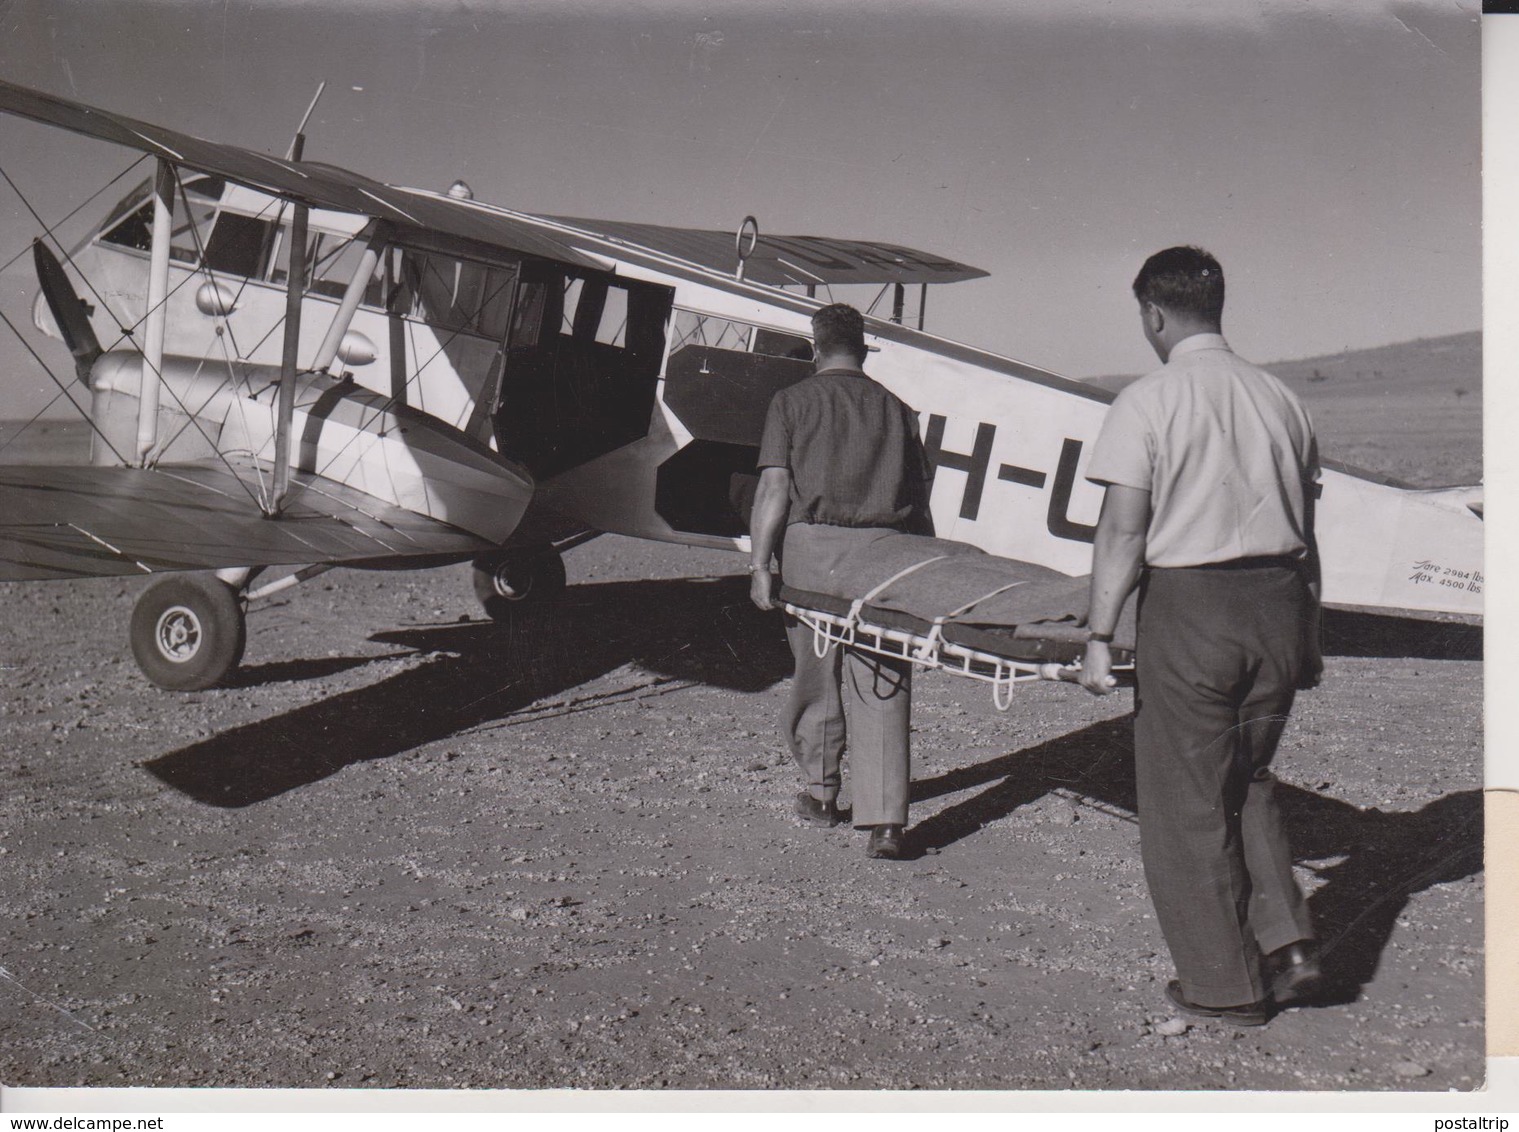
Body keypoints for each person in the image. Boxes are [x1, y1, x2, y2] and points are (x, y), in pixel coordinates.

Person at [1078, 246, 1324, 1026]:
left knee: (1185, 803)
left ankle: (1225, 988)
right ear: (1216, 304)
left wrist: (1097, 636)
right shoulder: (1281, 399)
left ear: (1153, 314)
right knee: (1246, 777)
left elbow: (1121, 531)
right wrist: (1309, 635)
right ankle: (1287, 940)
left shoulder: (1147, 400)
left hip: (1192, 610)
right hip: (1278, 605)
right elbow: (1309, 535)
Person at [748, 303, 933, 860]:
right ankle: (886, 824)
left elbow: (774, 490)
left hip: (813, 555)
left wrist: (760, 564)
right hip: (888, 553)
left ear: (815, 344)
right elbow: (919, 503)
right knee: (883, 678)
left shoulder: (791, 403)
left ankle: (823, 795)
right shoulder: (899, 410)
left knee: (816, 673)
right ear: (862, 346)